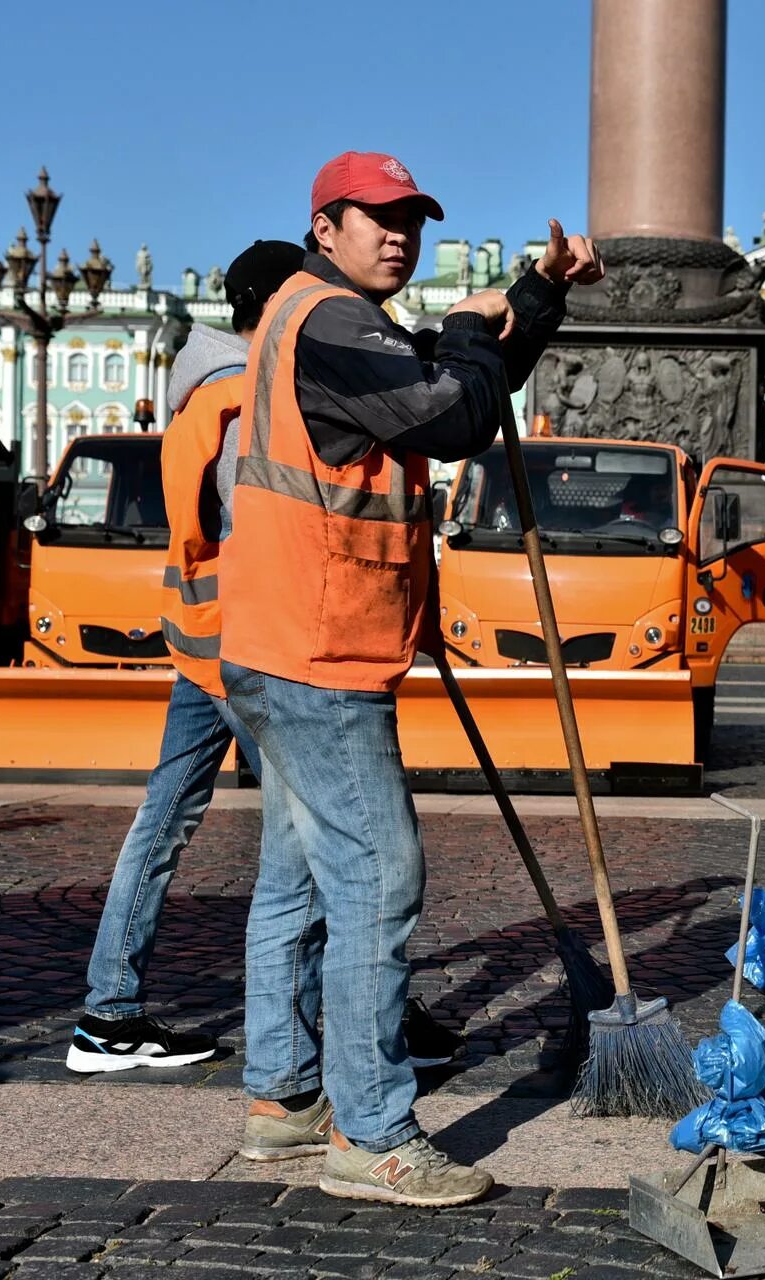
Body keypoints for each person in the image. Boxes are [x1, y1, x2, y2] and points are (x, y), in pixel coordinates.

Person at [218, 152, 602, 1207]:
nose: (398, 235)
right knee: (379, 878)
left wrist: (536, 296)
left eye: (411, 220)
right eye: (377, 218)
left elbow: (447, 384)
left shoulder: (317, 317)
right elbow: (453, 412)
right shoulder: (335, 321)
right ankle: (372, 1130)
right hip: (321, 647)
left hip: (276, 638)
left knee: (297, 880)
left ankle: (282, 1099)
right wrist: (480, 333)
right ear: (325, 225)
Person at [67, 241, 459, 1079]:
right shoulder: (252, 394)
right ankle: (342, 1026)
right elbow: (277, 524)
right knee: (315, 852)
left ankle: (116, 1007)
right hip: (259, 641)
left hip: (200, 636)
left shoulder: (203, 388)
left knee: (178, 824)